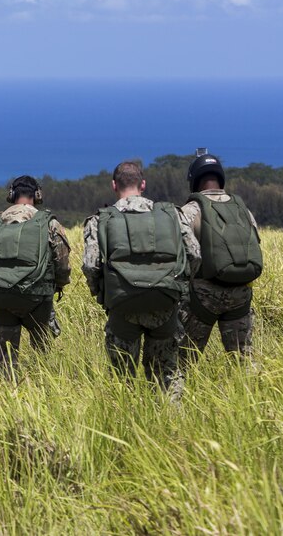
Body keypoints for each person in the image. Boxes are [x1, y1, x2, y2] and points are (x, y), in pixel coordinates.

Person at [81, 160, 200, 393]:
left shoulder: (100, 220)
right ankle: (172, 425)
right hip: (165, 303)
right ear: (142, 184)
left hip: (123, 305)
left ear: (114, 185)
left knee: (122, 379)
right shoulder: (172, 214)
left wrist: (102, 294)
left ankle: (125, 423)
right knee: (167, 375)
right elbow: (194, 254)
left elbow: (90, 265)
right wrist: (180, 288)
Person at [0, 175, 71, 372]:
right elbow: (62, 264)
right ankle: (41, 386)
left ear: (11, 195)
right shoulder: (48, 223)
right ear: (37, 195)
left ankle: (7, 390)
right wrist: (58, 285)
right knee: (42, 354)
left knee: (5, 360)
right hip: (37, 297)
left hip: (0, 296)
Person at [179, 150, 263, 363]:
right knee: (243, 360)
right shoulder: (242, 209)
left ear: (194, 180)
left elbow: (182, 257)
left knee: (183, 361)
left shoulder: (189, 211)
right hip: (241, 296)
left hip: (203, 298)